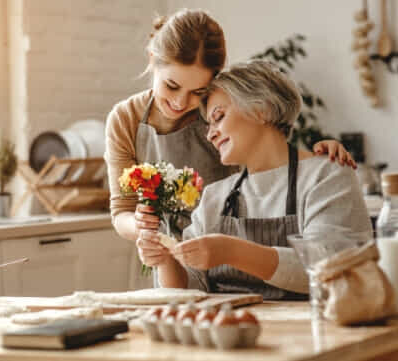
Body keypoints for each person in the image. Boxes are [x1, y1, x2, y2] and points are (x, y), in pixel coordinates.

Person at [104, 8, 356, 247]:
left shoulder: (219, 111)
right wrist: (141, 226)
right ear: (152, 59)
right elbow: (121, 212)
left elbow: (269, 159)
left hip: (232, 254)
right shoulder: (125, 119)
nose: (180, 102)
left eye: (198, 91)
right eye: (171, 86)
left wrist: (315, 159)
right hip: (167, 255)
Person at [137, 60, 372, 299]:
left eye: (219, 117)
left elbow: (331, 268)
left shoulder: (326, 175)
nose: (210, 134)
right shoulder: (215, 196)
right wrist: (166, 261)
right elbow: (191, 289)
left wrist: (232, 251)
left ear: (262, 110)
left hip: (313, 330)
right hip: (232, 331)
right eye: (208, 124)